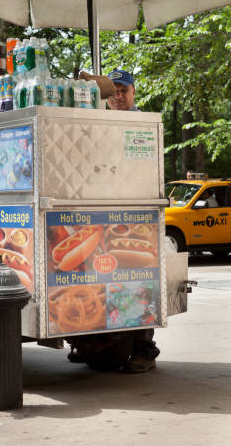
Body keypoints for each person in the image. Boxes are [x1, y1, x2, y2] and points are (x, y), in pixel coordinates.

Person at [107, 68, 160, 373]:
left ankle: (144, 350)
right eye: (113, 90)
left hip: (137, 213)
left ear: (134, 92)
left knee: (137, 283)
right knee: (105, 284)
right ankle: (96, 345)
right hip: (108, 213)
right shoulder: (99, 120)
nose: (118, 95)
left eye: (124, 90)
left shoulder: (143, 123)